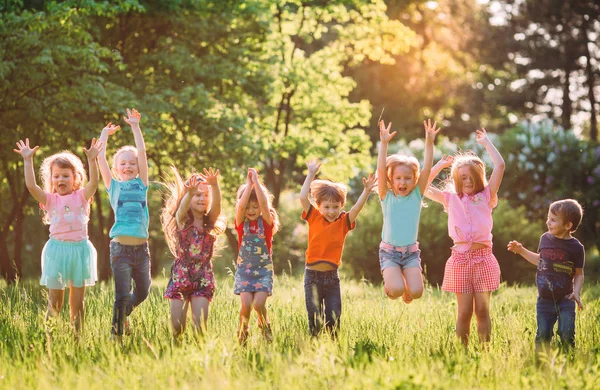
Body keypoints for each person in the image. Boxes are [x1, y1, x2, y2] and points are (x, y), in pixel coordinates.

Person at [14, 138, 103, 335]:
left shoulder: (81, 196)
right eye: (56, 176)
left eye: (65, 176)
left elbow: (95, 182)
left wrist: (92, 160)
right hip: (57, 251)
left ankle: (76, 339)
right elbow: (31, 187)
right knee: (55, 301)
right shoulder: (50, 200)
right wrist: (27, 161)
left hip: (80, 251)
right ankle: (50, 339)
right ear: (51, 179)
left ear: (75, 179)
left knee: (77, 303)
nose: (60, 180)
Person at [425, 128, 505, 346]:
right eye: (463, 178)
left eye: (471, 177)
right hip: (460, 260)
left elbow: (500, 166)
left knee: (482, 309)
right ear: (456, 179)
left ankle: (485, 350)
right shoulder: (450, 199)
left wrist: (486, 142)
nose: (467, 181)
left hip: (484, 258)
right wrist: (439, 166)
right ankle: (462, 353)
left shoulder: (487, 195)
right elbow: (423, 188)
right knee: (464, 312)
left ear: (479, 177)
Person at [300, 158, 377, 337]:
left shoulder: (343, 222)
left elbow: (356, 209)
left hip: (332, 278)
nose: (331, 211)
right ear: (319, 206)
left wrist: (366, 191)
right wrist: (311, 173)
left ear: (341, 206)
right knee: (315, 318)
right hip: (312, 277)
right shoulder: (314, 217)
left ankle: (333, 347)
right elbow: (303, 197)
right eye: (327, 207)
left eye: (336, 206)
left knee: (334, 317)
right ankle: (315, 349)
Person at [98, 108, 151, 341]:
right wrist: (104, 136)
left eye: (132, 163)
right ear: (116, 168)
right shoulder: (113, 186)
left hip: (142, 250)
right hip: (120, 249)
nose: (128, 166)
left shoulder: (143, 184)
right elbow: (99, 157)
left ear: (138, 167)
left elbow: (142, 151)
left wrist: (135, 127)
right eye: (123, 163)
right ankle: (116, 333)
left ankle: (121, 317)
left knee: (143, 292)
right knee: (121, 295)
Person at [377, 119, 440, 303]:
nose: (402, 182)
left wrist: (429, 143)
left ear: (414, 180)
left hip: (411, 253)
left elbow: (427, 168)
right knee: (396, 291)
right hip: (389, 253)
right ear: (391, 180)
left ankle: (405, 285)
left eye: (407, 178)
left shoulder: (416, 196)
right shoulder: (386, 196)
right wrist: (384, 144)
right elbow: (381, 170)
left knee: (417, 293)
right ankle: (393, 284)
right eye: (398, 178)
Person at [508, 199, 585, 351]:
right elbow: (541, 261)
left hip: (566, 299)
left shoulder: (577, 248)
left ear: (568, 225)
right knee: (543, 335)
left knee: (567, 334)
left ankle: (568, 361)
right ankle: (541, 364)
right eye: (548, 218)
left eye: (553, 220)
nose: (548, 222)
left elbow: (579, 274)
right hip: (544, 299)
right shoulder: (545, 238)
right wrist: (521, 250)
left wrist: (576, 292)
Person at [161, 167, 225, 339]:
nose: (202, 198)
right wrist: (188, 193)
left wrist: (215, 186)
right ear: (188, 199)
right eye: (197, 195)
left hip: (203, 275)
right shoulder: (182, 221)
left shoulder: (208, 222)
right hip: (181, 275)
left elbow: (217, 207)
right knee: (177, 328)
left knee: (200, 327)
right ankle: (176, 350)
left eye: (205, 196)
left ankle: (199, 353)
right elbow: (181, 211)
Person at [233, 168, 280, 344]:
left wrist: (257, 183)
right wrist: (248, 185)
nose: (251, 210)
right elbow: (240, 206)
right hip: (244, 272)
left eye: (256, 206)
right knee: (246, 305)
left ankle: (265, 326)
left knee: (258, 304)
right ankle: (243, 333)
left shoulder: (267, 224)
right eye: (248, 207)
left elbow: (264, 202)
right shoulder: (240, 223)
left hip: (263, 272)